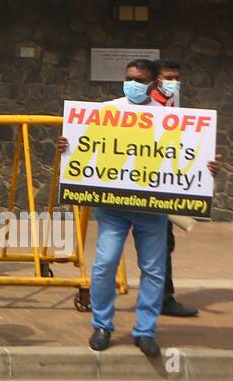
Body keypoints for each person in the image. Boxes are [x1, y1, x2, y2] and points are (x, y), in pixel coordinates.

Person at [56, 59, 218, 356]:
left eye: (140, 80)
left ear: (154, 83)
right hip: (113, 207)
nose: (133, 84)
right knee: (105, 265)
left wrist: (207, 167)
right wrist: (67, 146)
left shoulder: (170, 119)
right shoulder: (107, 111)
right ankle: (102, 325)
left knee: (154, 270)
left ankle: (145, 331)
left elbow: (182, 157)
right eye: (129, 78)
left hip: (151, 209)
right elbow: (86, 147)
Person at [149, 60, 197, 319]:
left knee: (163, 242)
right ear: (157, 79)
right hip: (142, 182)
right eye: (169, 77)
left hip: (164, 182)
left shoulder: (174, 102)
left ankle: (163, 297)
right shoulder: (147, 105)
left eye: (177, 77)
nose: (174, 81)